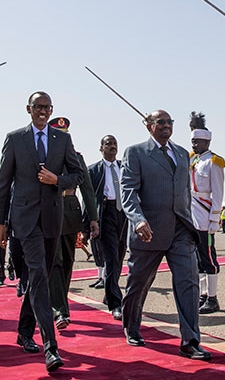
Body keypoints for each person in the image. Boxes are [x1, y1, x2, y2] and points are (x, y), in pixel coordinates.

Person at [0, 91, 83, 372]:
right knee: (40, 276)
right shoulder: (15, 138)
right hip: (25, 220)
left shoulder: (62, 139)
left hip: (52, 220)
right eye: (38, 107)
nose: (43, 111)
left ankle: (23, 332)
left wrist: (58, 180)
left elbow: (78, 174)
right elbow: (3, 182)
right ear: (28, 109)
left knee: (35, 277)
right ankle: (50, 347)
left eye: (47, 107)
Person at [121, 110, 211, 360]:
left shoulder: (182, 154)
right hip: (149, 231)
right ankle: (131, 327)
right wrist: (138, 220)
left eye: (169, 122)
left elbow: (184, 192)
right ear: (148, 126)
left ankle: (190, 341)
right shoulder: (135, 152)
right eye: (160, 122)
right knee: (138, 284)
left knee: (189, 283)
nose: (166, 126)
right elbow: (127, 191)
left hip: (181, 230)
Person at [47, 116, 97, 330]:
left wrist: (93, 218)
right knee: (55, 261)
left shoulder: (76, 157)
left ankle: (59, 302)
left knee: (67, 262)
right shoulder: (44, 155)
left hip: (70, 212)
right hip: (49, 210)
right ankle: (61, 310)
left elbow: (87, 189)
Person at [187, 112, 225, 315]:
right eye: (192, 141)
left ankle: (213, 297)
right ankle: (203, 295)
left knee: (208, 257)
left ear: (206, 141)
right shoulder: (192, 159)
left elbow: (218, 193)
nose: (193, 144)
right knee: (198, 259)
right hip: (191, 212)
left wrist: (214, 219)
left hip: (204, 212)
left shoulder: (214, 162)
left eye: (197, 141)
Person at [87, 135, 128, 319]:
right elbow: (87, 197)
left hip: (124, 215)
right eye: (108, 143)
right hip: (105, 214)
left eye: (114, 143)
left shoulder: (124, 167)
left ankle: (108, 293)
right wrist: (88, 221)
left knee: (119, 257)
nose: (112, 146)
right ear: (101, 148)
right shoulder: (94, 170)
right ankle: (115, 303)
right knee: (110, 257)